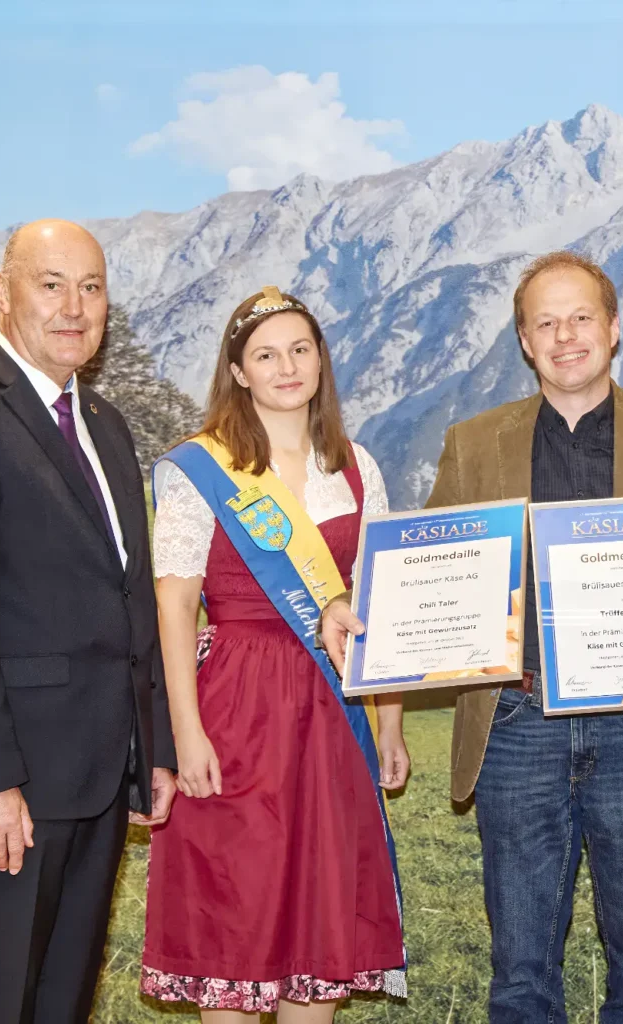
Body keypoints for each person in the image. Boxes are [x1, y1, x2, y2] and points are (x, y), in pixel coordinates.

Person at [325, 251, 623, 1023]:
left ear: (614, 327)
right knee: (521, 979)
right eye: (545, 323)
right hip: (516, 729)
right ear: (524, 340)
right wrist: (362, 614)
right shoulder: (474, 442)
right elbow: (431, 568)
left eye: (581, 317)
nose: (566, 337)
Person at [0, 219, 177, 1023]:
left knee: (60, 1004)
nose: (74, 306)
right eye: (51, 284)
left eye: (92, 287)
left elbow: (131, 601)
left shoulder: (108, 427)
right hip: (7, 786)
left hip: (96, 779)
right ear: (3, 292)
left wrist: (150, 747)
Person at [139, 287, 408, 1022]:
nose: (286, 366)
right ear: (239, 370)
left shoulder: (357, 467)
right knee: (235, 918)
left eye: (299, 349)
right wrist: (183, 733)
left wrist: (389, 726)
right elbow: (173, 605)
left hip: (332, 720)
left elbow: (378, 602)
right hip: (234, 708)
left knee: (317, 937)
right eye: (265, 354)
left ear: (320, 360)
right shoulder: (199, 470)